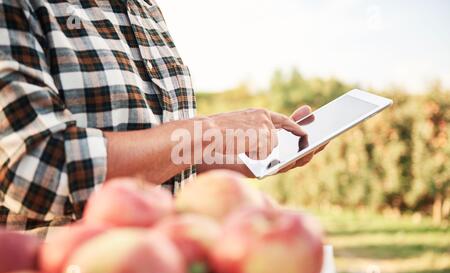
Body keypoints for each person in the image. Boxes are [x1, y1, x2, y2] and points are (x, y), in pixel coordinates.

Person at [0, 0, 325, 237]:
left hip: (163, 270)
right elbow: (36, 163)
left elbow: (155, 146)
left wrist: (235, 153)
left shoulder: (145, 9)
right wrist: (209, 132)